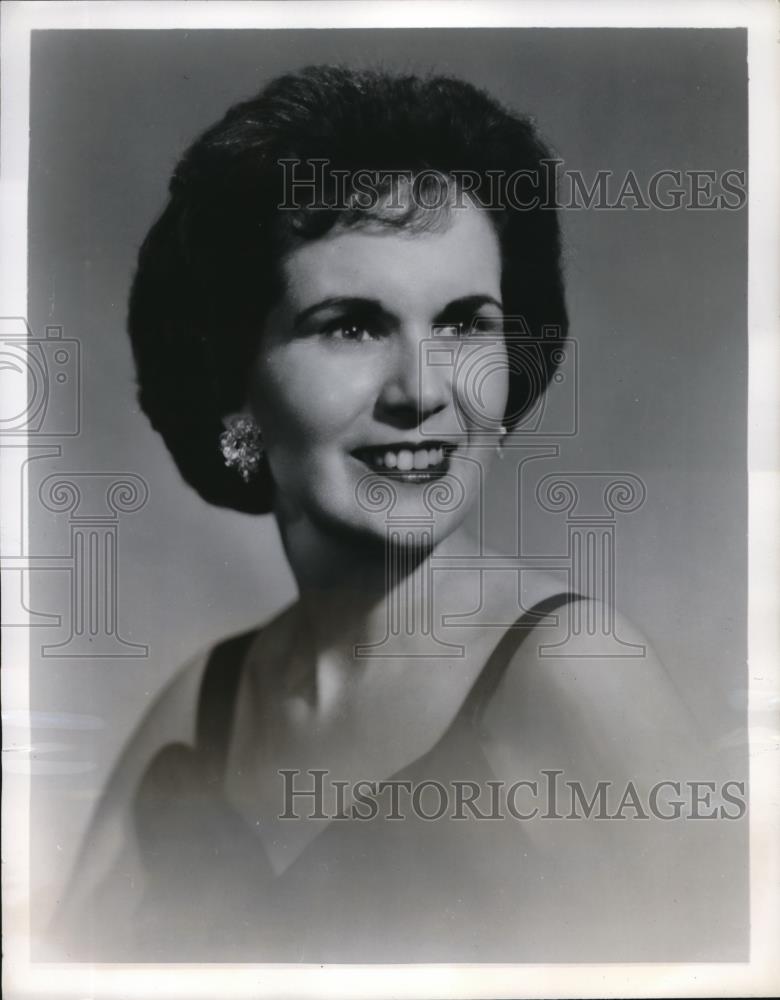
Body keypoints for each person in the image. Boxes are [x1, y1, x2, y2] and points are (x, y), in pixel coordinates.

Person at [49, 65, 744, 963]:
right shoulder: (201, 706)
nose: (424, 390)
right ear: (234, 384)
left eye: (465, 324)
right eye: (351, 325)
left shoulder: (574, 671)